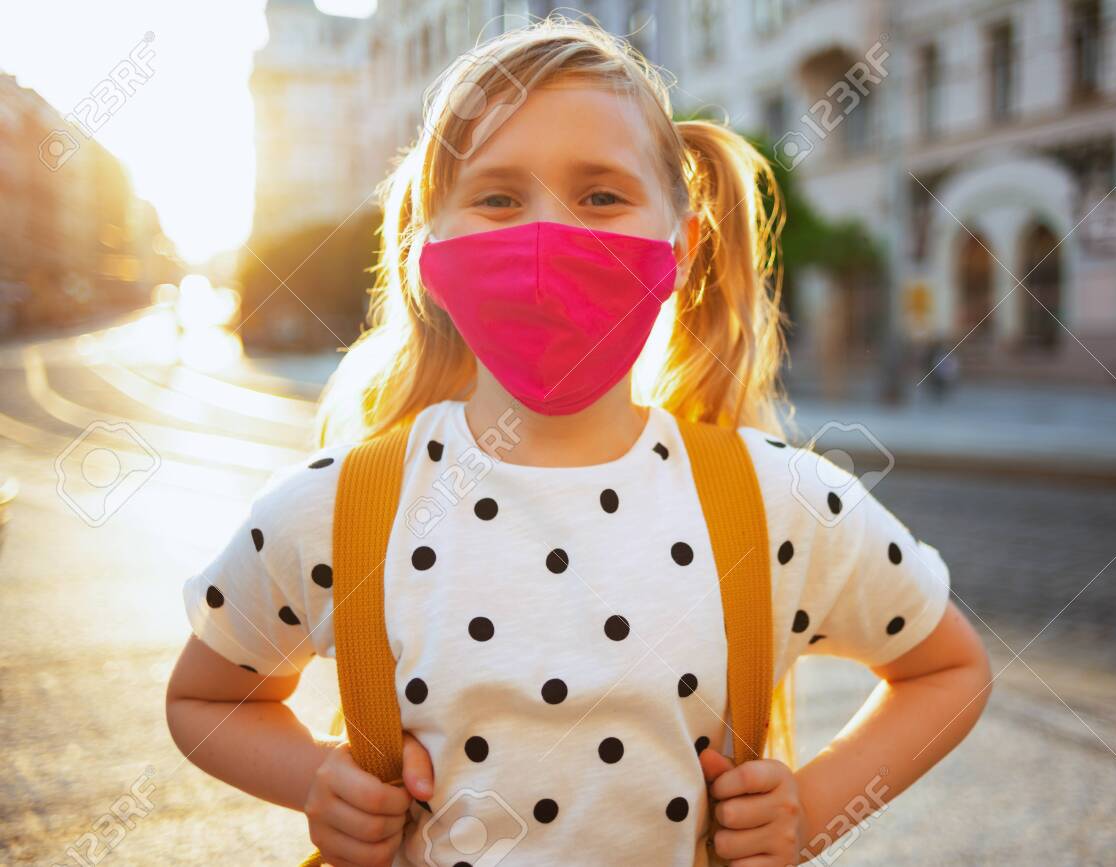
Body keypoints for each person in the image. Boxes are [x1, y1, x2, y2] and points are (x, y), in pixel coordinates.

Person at [165, 18, 989, 867]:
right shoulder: (335, 507)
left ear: (681, 247)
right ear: (428, 250)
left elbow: (949, 670)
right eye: (497, 198)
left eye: (601, 196)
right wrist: (314, 780)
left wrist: (809, 811)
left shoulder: (777, 501)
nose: (546, 240)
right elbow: (207, 698)